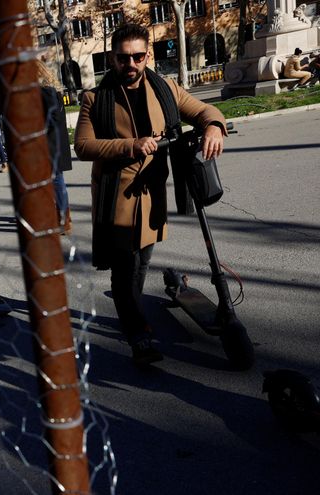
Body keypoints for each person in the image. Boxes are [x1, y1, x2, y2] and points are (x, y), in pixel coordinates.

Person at [74, 23, 227, 366]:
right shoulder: (94, 99)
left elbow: (204, 111)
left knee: (141, 262)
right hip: (118, 196)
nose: (131, 63)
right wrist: (132, 145)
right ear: (112, 58)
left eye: (138, 56)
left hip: (153, 194)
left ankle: (132, 309)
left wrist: (215, 126)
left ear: (148, 56)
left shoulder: (166, 88)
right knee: (125, 267)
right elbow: (83, 146)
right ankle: (138, 335)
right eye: (123, 57)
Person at [37, 58, 73, 235]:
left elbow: (52, 119)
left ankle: (63, 219)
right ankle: (61, 217)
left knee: (57, 182)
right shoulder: (49, 91)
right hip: (53, 144)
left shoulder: (45, 92)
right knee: (55, 182)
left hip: (51, 145)